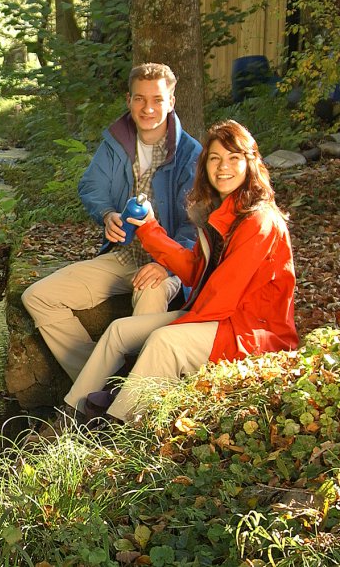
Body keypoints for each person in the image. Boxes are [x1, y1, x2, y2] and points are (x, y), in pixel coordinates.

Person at [65, 120, 299, 421]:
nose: (222, 167)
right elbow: (194, 272)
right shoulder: (221, 212)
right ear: (205, 165)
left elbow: (222, 294)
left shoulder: (259, 221)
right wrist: (149, 227)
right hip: (219, 317)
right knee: (119, 331)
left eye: (233, 158)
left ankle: (117, 430)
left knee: (163, 341)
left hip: (251, 332)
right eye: (214, 158)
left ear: (250, 163)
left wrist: (162, 332)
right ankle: (71, 417)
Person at [22, 63, 203, 383]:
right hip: (123, 253)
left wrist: (167, 266)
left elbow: (195, 225)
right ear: (128, 99)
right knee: (37, 297)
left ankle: (142, 397)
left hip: (170, 261)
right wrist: (107, 214)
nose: (148, 108)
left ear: (172, 101)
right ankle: (101, 383)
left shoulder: (190, 154)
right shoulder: (116, 141)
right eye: (139, 98)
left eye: (158, 99)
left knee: (150, 290)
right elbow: (91, 186)